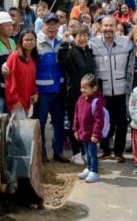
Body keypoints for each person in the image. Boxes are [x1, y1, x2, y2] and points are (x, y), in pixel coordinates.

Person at [90, 15, 133, 163]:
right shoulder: (93, 44)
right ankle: (105, 150)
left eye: (111, 25)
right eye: (105, 25)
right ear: (100, 27)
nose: (108, 28)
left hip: (121, 91)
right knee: (103, 122)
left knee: (121, 123)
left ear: (116, 27)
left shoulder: (126, 43)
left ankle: (119, 152)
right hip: (103, 92)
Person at [58, 25, 96, 164]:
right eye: (79, 35)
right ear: (75, 37)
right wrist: (64, 43)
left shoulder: (89, 51)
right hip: (74, 94)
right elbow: (62, 60)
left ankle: (85, 151)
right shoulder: (71, 51)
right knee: (76, 124)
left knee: (86, 124)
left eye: (85, 35)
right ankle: (76, 153)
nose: (83, 38)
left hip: (88, 95)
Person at [35, 13, 69, 163]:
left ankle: (58, 152)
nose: (52, 27)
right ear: (43, 25)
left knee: (58, 122)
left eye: (55, 24)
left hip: (59, 90)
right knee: (40, 123)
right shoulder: (35, 42)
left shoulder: (63, 42)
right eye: (49, 24)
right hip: (42, 93)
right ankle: (41, 153)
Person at [74, 74, 105, 183]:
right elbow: (76, 114)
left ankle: (94, 172)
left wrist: (96, 134)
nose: (82, 90)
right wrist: (76, 129)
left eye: (85, 88)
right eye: (81, 87)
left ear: (94, 88)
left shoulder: (96, 102)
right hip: (83, 133)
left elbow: (99, 120)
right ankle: (89, 168)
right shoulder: (80, 99)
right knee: (87, 153)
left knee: (92, 153)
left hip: (92, 135)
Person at [5, 29, 38, 113]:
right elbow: (9, 80)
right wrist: (14, 99)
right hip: (16, 103)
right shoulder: (14, 56)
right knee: (19, 125)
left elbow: (32, 79)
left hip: (27, 101)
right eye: (26, 40)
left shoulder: (33, 57)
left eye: (32, 39)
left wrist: (35, 93)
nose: (29, 42)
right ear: (21, 42)